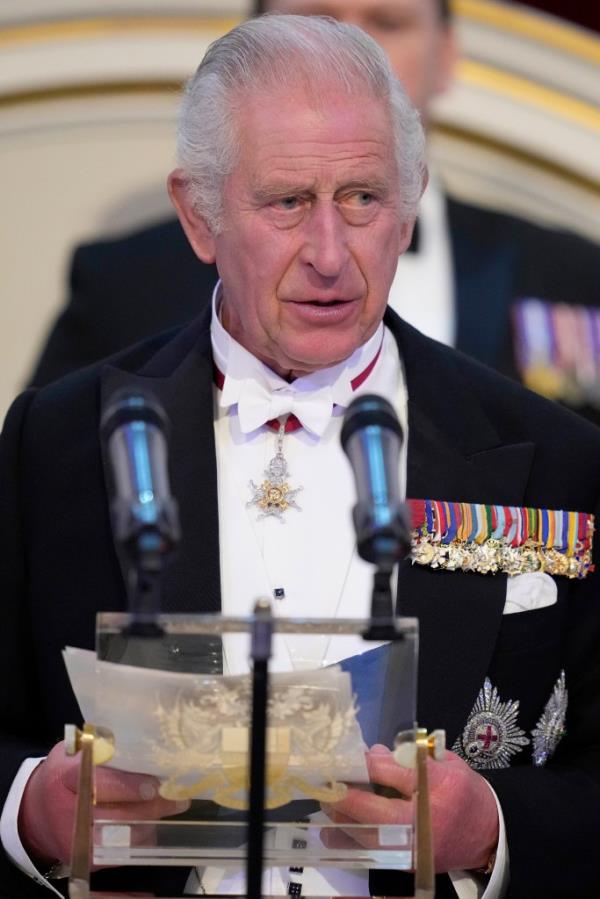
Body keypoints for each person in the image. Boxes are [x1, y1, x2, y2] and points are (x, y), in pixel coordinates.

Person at [2, 14, 600, 899]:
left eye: (362, 198)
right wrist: (30, 811)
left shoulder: (557, 458)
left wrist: (491, 829)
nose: (330, 253)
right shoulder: (57, 442)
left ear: (407, 205)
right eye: (286, 202)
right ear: (197, 215)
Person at [28, 0, 600, 425]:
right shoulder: (125, 282)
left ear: (446, 56)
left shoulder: (569, 277)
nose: (348, 50)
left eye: (387, 23)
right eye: (314, 19)